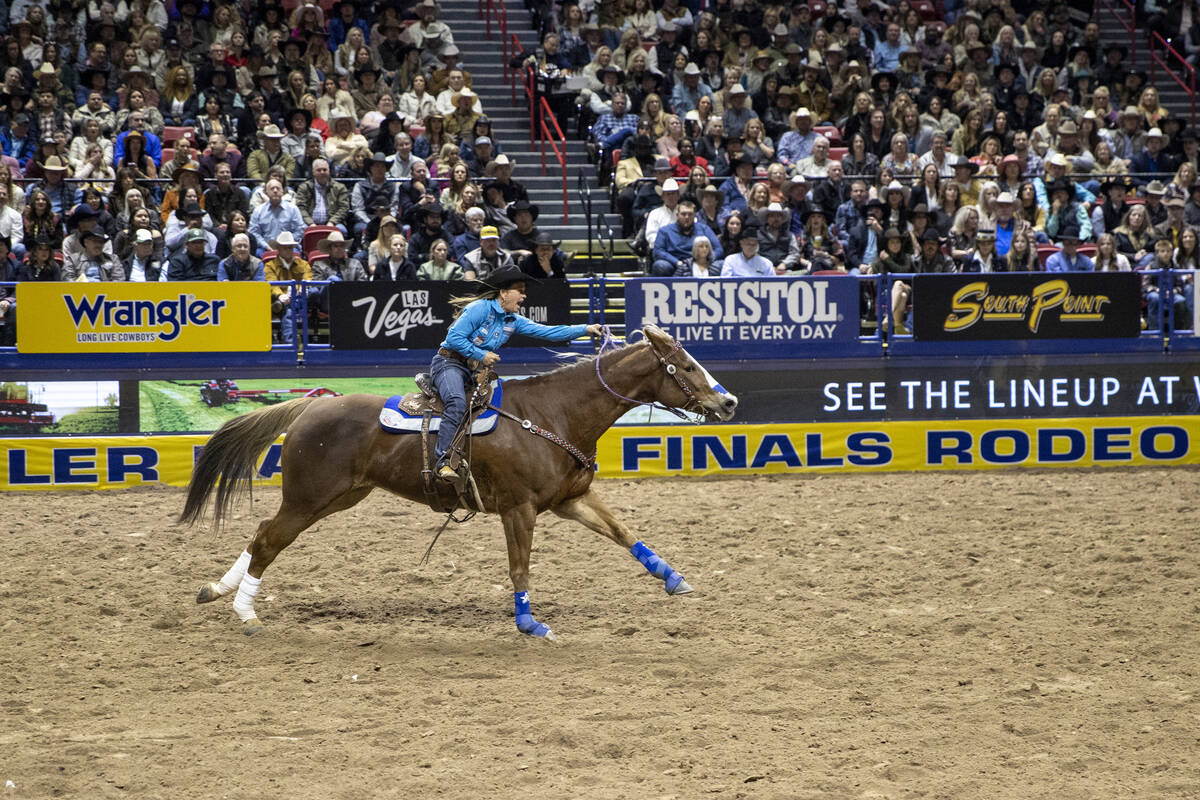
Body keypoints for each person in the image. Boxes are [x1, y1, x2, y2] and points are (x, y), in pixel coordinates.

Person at [430, 264, 603, 479]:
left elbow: (548, 332)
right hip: (449, 364)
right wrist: (481, 355)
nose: (524, 295)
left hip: (472, 371)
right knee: (456, 402)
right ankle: (443, 461)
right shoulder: (479, 308)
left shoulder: (512, 321)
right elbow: (454, 337)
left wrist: (585, 329)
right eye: (520, 290)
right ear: (503, 293)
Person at [264, 231, 312, 344]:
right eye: (285, 248)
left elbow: (308, 276)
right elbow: (271, 283)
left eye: (290, 248)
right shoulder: (270, 266)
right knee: (288, 310)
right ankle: (292, 343)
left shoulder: (303, 264)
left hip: (300, 298)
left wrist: (303, 287)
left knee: (312, 292)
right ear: (278, 249)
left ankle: (291, 343)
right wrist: (280, 295)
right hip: (283, 300)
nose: (288, 250)